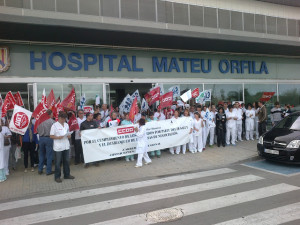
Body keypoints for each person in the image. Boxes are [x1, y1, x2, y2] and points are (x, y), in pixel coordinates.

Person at [50, 112, 74, 183]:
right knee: (58, 162)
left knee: (66, 161)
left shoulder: (66, 125)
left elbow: (68, 133)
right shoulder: (54, 126)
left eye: (65, 119)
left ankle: (67, 174)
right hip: (58, 147)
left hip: (66, 145)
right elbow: (51, 136)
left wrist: (69, 136)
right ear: (59, 118)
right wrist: (58, 137)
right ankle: (57, 177)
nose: (64, 120)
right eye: (63, 119)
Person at [37, 109, 54, 175]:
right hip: (48, 138)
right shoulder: (52, 121)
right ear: (49, 114)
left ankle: (40, 169)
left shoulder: (39, 121)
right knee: (49, 155)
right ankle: (48, 171)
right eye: (52, 114)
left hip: (41, 138)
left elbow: (37, 129)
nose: (53, 115)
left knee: (41, 154)